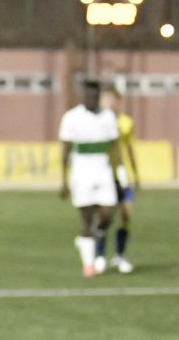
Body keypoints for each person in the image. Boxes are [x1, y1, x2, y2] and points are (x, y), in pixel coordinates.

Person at [59, 80, 119, 277]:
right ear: (82, 96)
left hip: (103, 172)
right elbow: (65, 150)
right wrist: (64, 180)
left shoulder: (108, 116)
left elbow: (114, 147)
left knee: (107, 214)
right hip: (81, 174)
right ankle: (89, 264)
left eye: (94, 95)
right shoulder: (71, 118)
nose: (90, 99)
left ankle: (91, 237)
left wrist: (120, 174)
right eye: (87, 95)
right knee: (86, 218)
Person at [99, 85, 140, 273]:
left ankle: (120, 256)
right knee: (105, 217)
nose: (108, 102)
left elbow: (130, 149)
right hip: (105, 175)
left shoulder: (125, 122)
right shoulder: (96, 122)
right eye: (105, 98)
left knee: (126, 215)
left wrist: (136, 174)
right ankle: (99, 256)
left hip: (123, 176)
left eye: (111, 98)